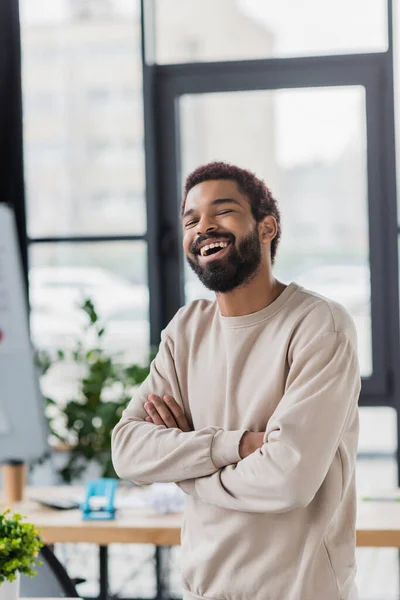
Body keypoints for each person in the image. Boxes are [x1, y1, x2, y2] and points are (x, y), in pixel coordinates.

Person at [111, 161, 360, 600]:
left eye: (222, 211)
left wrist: (182, 467)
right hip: (203, 591)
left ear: (267, 228)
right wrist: (239, 446)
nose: (203, 226)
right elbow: (128, 451)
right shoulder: (186, 329)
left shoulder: (320, 325)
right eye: (191, 219)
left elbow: (288, 480)